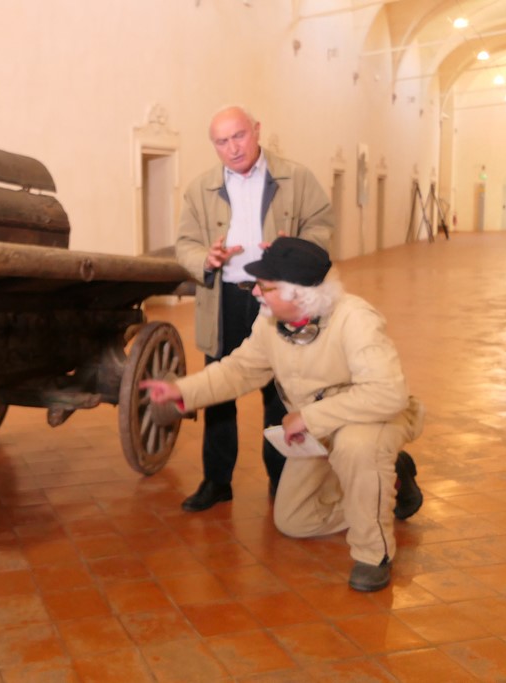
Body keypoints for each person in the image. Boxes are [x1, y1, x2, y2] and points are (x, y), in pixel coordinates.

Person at [142, 237, 424, 591]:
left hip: (371, 416)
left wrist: (308, 418)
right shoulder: (270, 322)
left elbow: (388, 394)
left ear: (299, 294)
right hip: (317, 424)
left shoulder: (355, 319)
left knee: (356, 448)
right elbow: (240, 370)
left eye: (267, 286)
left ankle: (372, 554)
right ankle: (388, 482)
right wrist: (183, 390)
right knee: (294, 520)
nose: (257, 293)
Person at [175, 105, 334, 512]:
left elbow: (322, 225)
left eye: (239, 136)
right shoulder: (199, 188)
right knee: (219, 391)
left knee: (278, 392)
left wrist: (293, 249)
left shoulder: (296, 178)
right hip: (225, 300)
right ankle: (216, 481)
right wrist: (205, 259)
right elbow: (186, 244)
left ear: (257, 131)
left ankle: (281, 480)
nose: (232, 148)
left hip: (276, 299)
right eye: (222, 141)